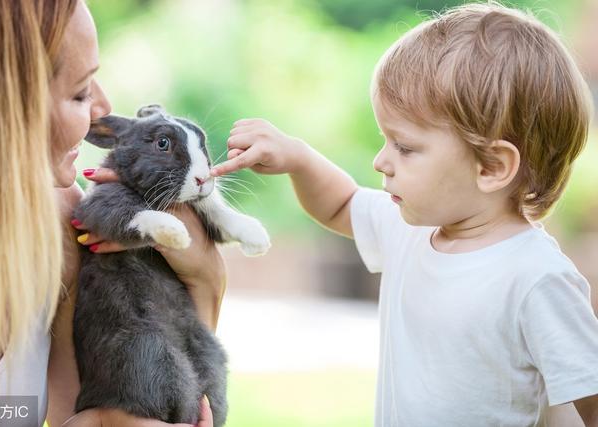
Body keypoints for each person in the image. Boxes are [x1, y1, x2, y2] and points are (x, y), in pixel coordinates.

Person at [211, 3, 598, 426]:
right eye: (385, 140)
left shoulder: (536, 278)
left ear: (490, 167)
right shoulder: (409, 229)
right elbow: (341, 204)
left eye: (405, 147)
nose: (381, 161)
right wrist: (298, 159)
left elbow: (589, 396)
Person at [0, 1, 223, 426]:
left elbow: (95, 413)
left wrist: (206, 278)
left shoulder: (61, 219)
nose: (104, 108)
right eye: (81, 92)